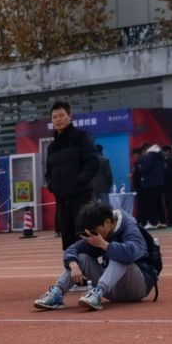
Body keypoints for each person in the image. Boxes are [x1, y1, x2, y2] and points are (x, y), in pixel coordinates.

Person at [34, 198, 159, 311]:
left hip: (137, 288)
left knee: (120, 255)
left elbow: (132, 252)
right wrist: (73, 264)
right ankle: (57, 293)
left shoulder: (130, 227)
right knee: (81, 257)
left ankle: (97, 293)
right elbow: (72, 249)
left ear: (108, 222)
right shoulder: (98, 233)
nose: (93, 235)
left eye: (95, 230)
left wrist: (104, 245)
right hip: (112, 290)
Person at [44, 101, 100, 245]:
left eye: (61, 115)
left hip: (82, 196)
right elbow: (48, 171)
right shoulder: (52, 146)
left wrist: (80, 181)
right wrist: (51, 185)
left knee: (86, 236)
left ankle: (92, 267)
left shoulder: (82, 137)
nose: (58, 119)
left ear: (69, 117)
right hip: (62, 199)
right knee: (69, 239)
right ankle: (71, 266)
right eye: (54, 117)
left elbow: (93, 162)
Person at [133, 143, 171, 229]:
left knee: (151, 204)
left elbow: (144, 168)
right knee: (159, 203)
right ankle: (162, 221)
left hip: (150, 183)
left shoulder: (150, 155)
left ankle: (152, 222)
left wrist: (139, 168)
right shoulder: (160, 155)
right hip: (159, 182)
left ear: (145, 149)